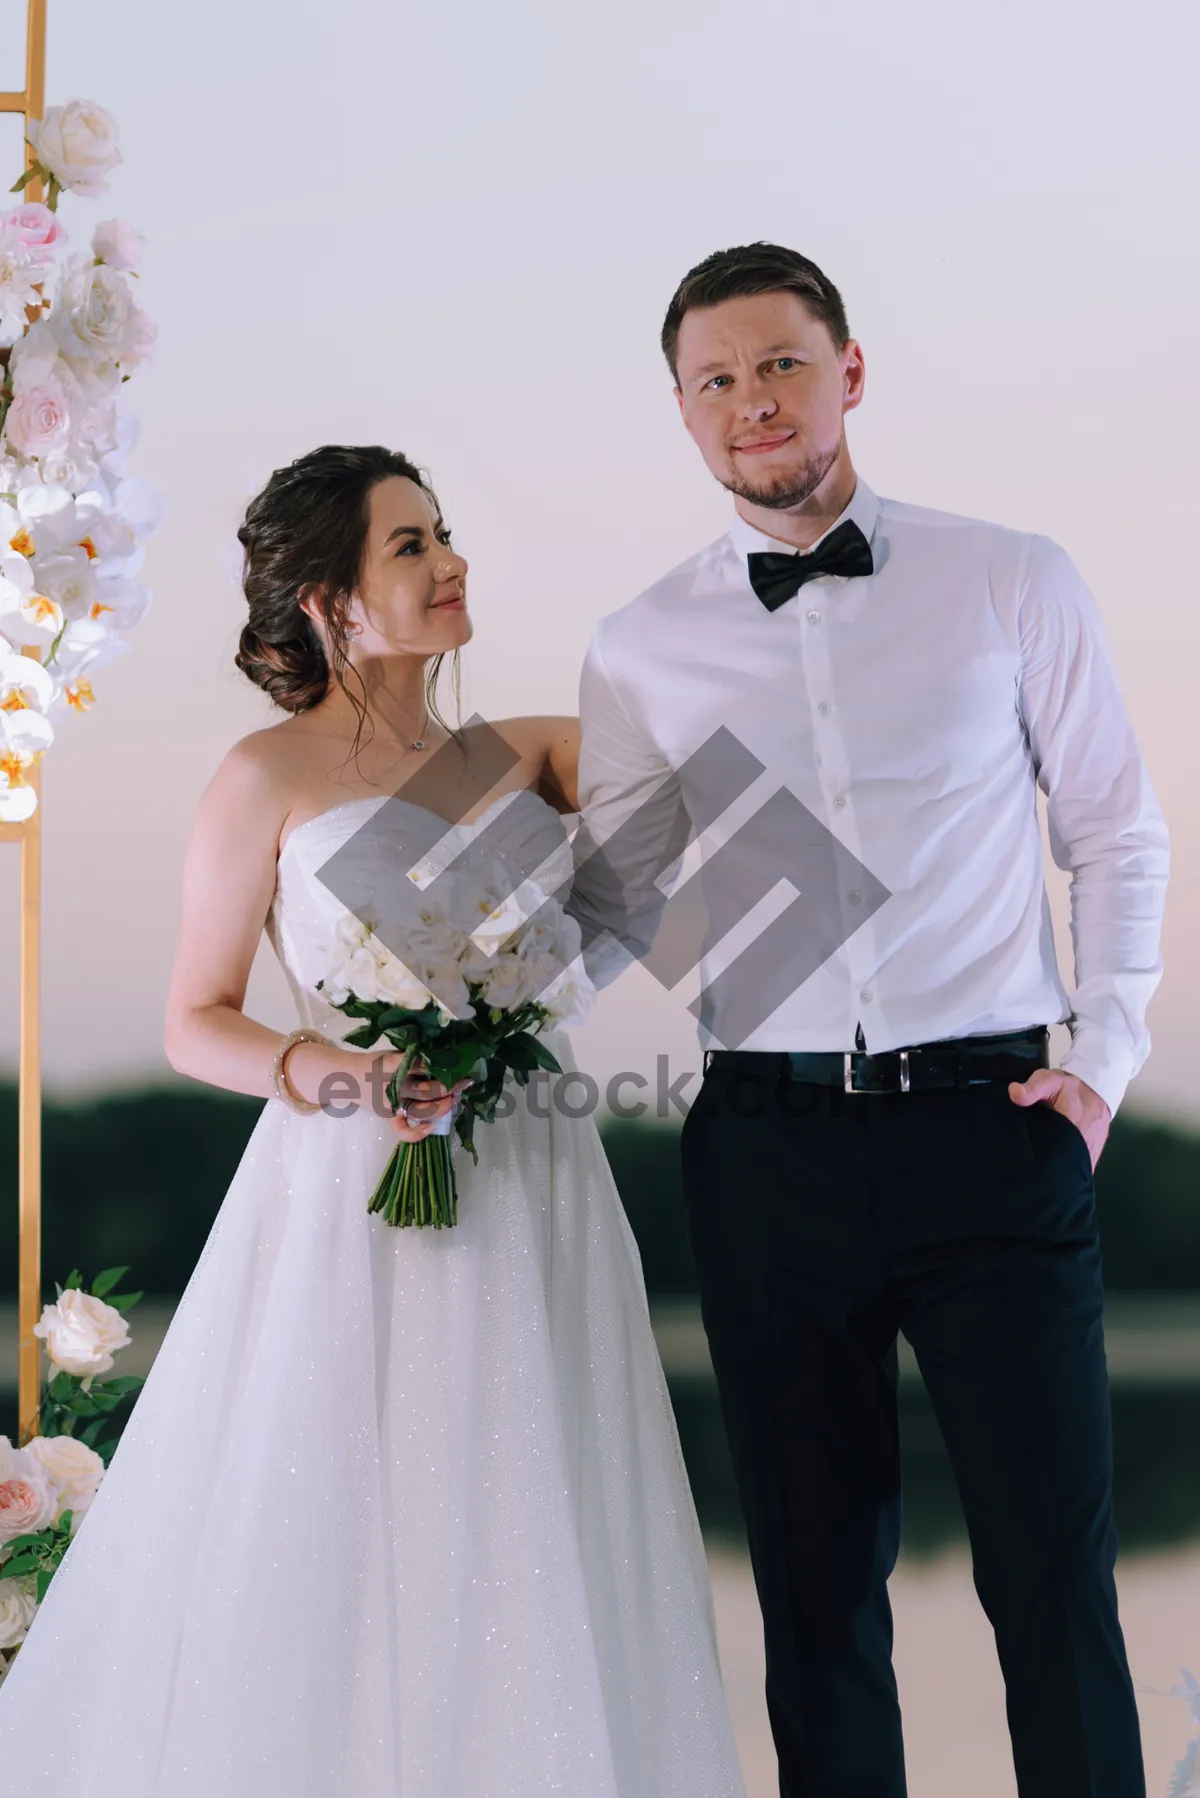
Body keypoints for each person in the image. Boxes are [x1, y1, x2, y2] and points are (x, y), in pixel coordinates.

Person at [0, 445, 747, 1798]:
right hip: (355, 1171)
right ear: (328, 600)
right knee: (349, 1517)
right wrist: (340, 1074)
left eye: (443, 533)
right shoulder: (263, 775)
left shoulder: (521, 751)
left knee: (541, 1503)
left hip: (536, 1169)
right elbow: (195, 1015)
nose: (450, 559)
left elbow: (691, 790)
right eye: (410, 546)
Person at [570, 243, 1170, 1797]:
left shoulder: (1009, 576)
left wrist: (1101, 1067)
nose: (752, 400)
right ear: (685, 416)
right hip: (767, 1152)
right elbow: (618, 893)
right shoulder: (642, 643)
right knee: (814, 1603)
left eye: (779, 362)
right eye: (716, 379)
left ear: (849, 369)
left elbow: (1113, 826)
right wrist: (439, 1020)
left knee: (1053, 1589)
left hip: (998, 1132)